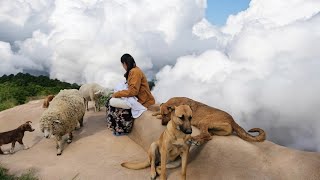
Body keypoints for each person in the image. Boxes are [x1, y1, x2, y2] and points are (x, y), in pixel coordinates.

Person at [106, 53, 155, 136]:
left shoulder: (134, 72)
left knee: (111, 102)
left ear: (125, 63)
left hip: (142, 100)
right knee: (111, 101)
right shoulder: (134, 70)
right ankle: (116, 126)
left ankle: (122, 128)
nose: (123, 67)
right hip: (138, 98)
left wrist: (117, 94)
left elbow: (133, 91)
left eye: (122, 65)